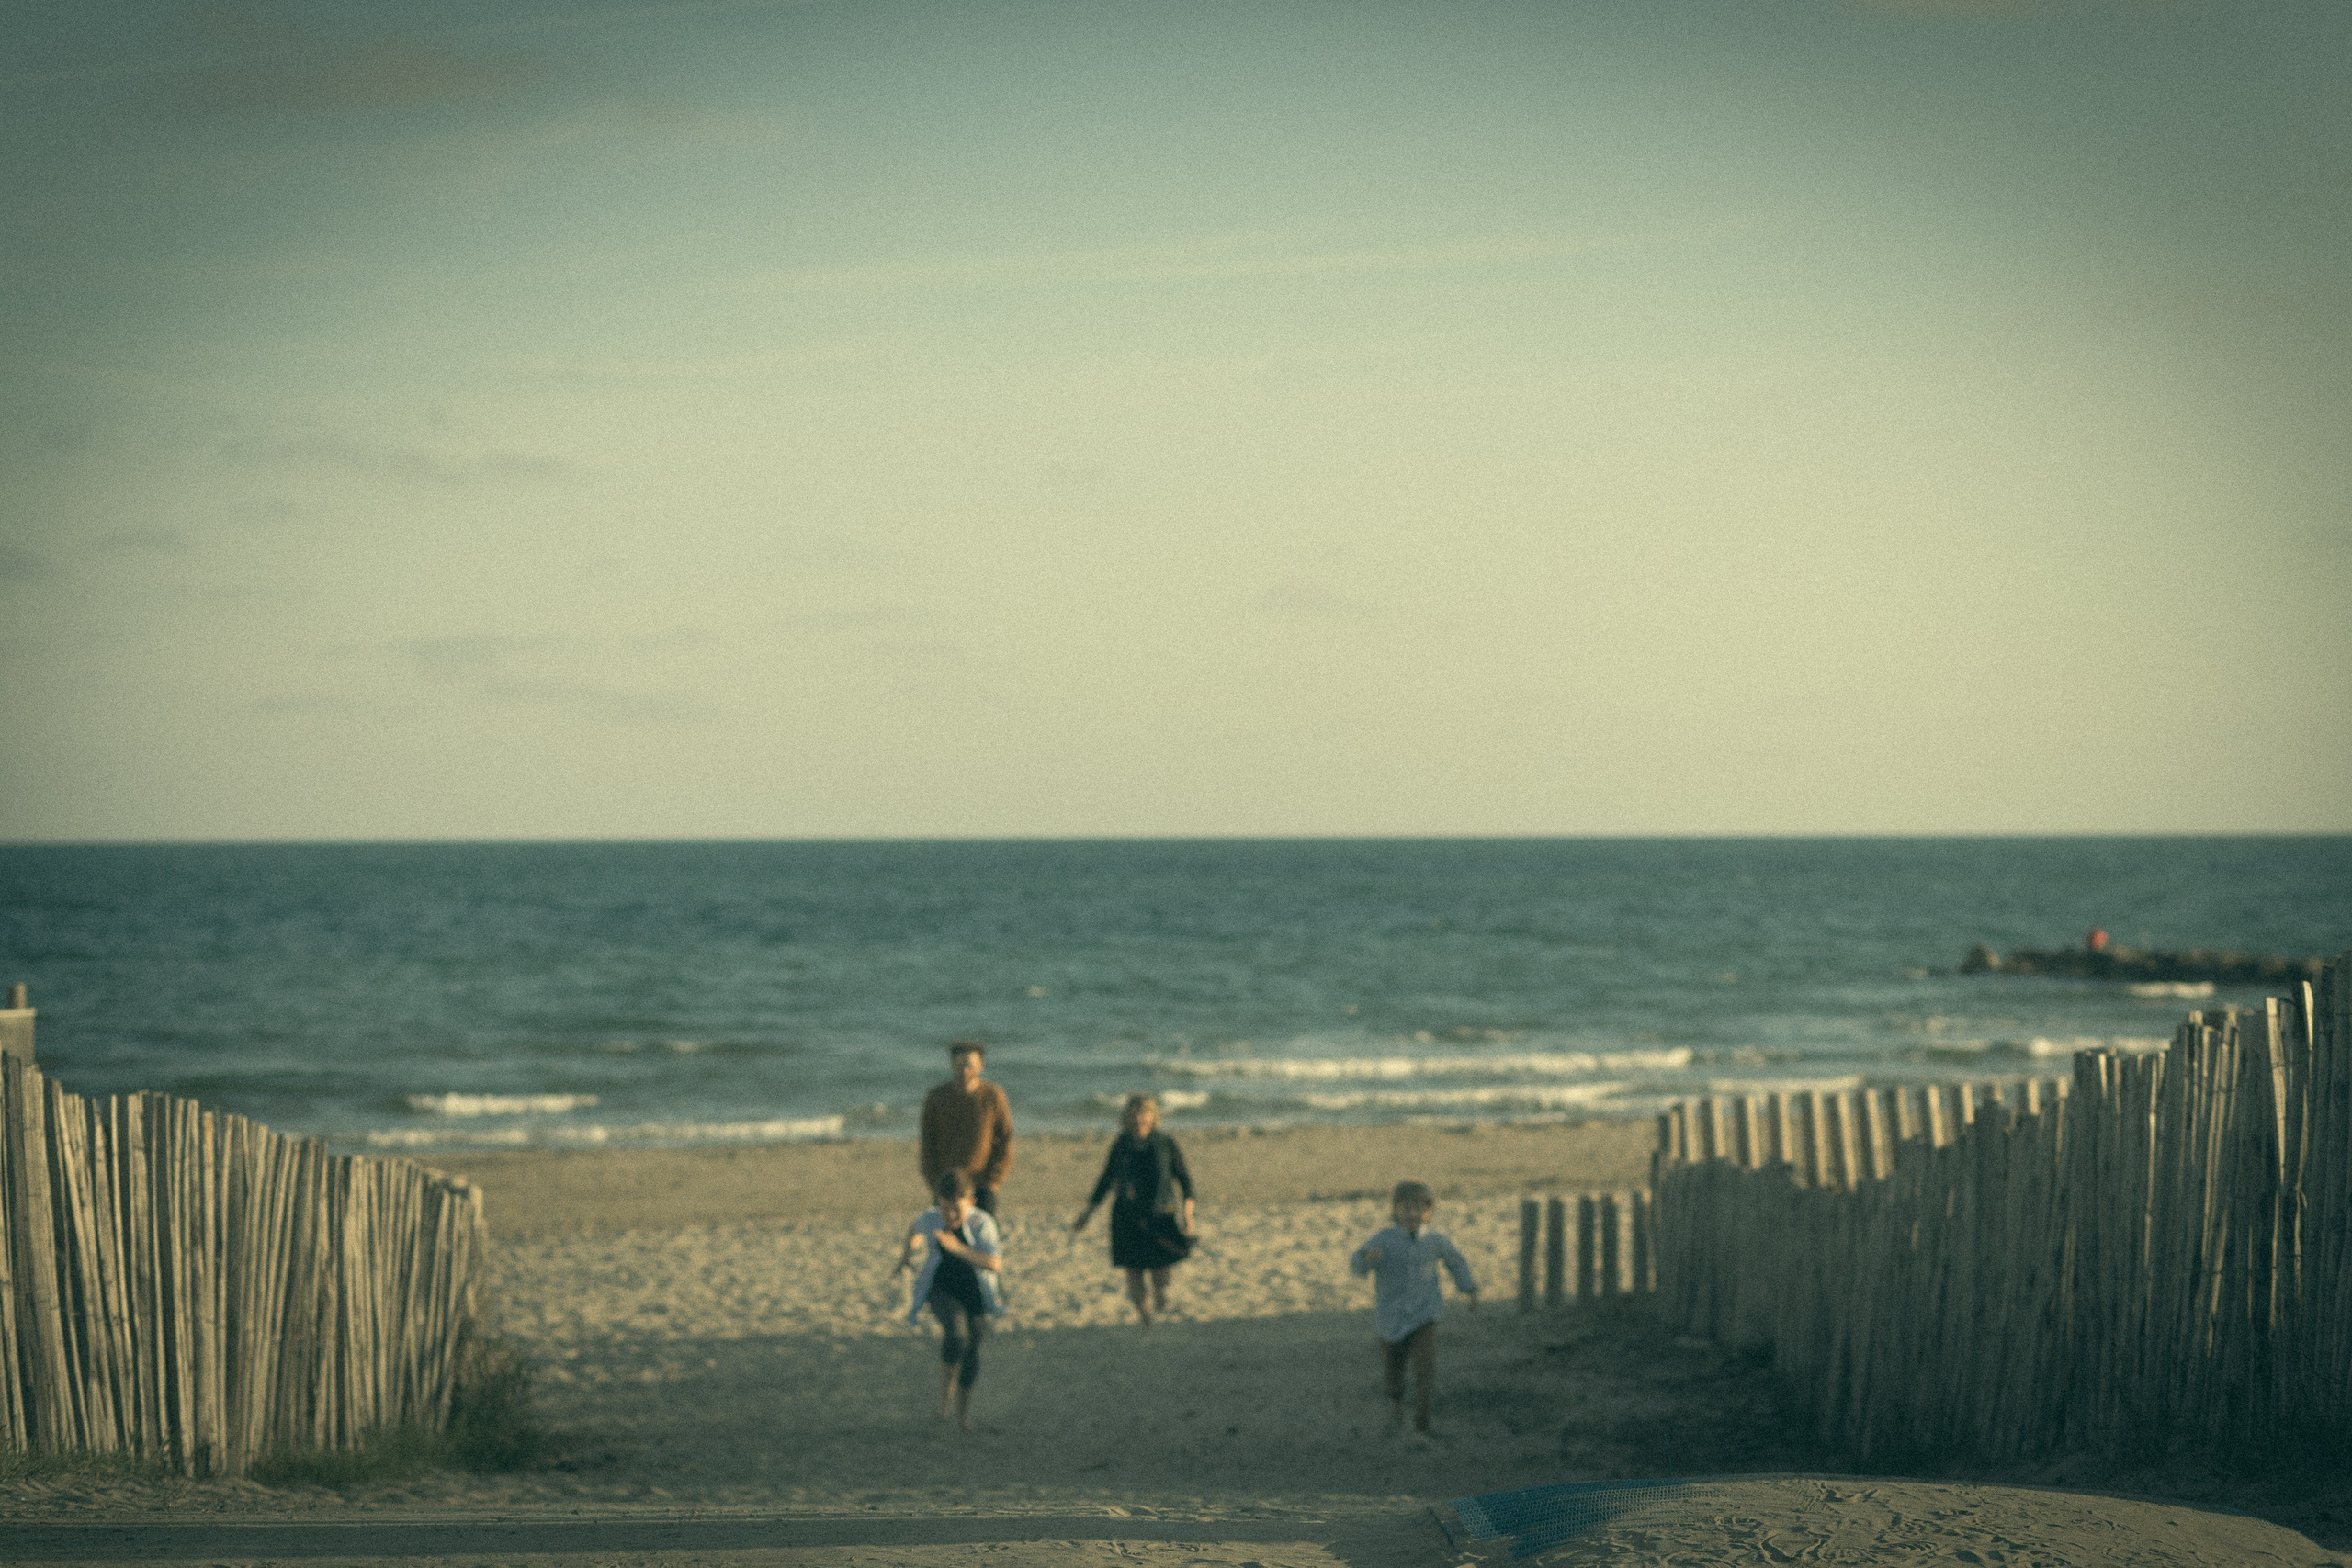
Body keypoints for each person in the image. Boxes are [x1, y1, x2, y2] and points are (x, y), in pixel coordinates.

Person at [1349, 1179, 1477, 1446]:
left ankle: (1421, 1426)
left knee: (1425, 1370)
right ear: (1395, 1210)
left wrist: (1469, 1288)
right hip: (1391, 1317)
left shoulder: (1435, 1239)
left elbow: (1456, 1261)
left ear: (1428, 1211)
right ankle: (1396, 1412)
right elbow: (1357, 1263)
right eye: (1406, 1208)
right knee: (1394, 1371)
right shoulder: (1384, 1238)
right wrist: (1366, 1260)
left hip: (1424, 1314)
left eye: (1419, 1208)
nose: (1412, 1214)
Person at [1070, 1093, 1195, 1326]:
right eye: (1135, 1113)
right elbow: (1106, 1180)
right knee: (1133, 1270)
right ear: (1127, 1117)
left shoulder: (1165, 1143)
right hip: (1127, 1216)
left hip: (1161, 1214)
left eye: (1144, 1113)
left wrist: (1187, 1214)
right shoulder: (1121, 1145)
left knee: (1162, 1271)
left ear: (1153, 1117)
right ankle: (1145, 1316)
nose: (1139, 1118)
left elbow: (1184, 1179)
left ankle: (1159, 1293)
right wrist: (1087, 1213)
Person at [896, 1169, 1003, 1430]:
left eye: (956, 1209)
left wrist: (958, 1248)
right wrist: (906, 1255)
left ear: (972, 1203)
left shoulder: (982, 1224)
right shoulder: (933, 1218)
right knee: (957, 1335)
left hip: (975, 1293)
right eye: (944, 1208)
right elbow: (915, 1227)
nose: (950, 1216)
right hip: (941, 1289)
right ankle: (945, 1400)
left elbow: (994, 1264)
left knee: (972, 1352)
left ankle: (962, 1413)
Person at [919, 1039, 1014, 1214]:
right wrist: (935, 1182)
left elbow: (1005, 1139)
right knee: (944, 1240)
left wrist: (993, 1181)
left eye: (969, 1065)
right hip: (946, 1187)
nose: (964, 1070)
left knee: (984, 1239)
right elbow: (927, 1143)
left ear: (981, 1065)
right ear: (952, 1064)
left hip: (982, 1185)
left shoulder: (993, 1095)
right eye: (959, 1064)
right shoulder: (937, 1098)